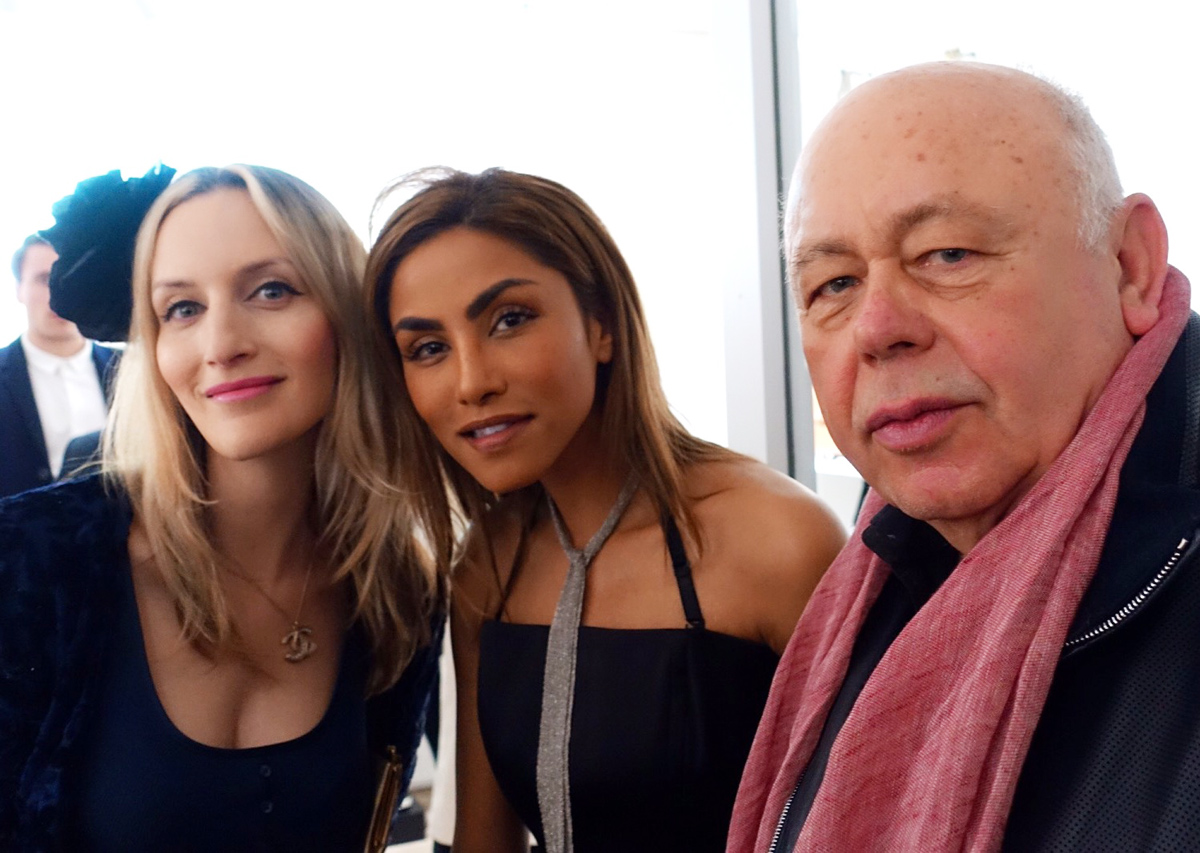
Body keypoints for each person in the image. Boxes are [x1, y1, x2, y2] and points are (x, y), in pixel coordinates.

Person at [727, 61, 1200, 852]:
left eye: (947, 254)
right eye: (834, 284)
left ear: (1130, 265)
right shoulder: (887, 557)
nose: (878, 328)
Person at [364, 167, 846, 853]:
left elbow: (884, 814)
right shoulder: (490, 562)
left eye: (509, 320)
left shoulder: (777, 540)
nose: (471, 382)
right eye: (429, 348)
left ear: (603, 326)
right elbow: (484, 841)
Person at [0, 165, 442, 852]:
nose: (221, 344)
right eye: (182, 308)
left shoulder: (397, 589)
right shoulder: (27, 561)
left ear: (349, 314)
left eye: (271, 290)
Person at [0, 235, 118, 497]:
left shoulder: (131, 370)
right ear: (19, 289)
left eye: (73, 276)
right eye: (44, 279)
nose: (58, 293)